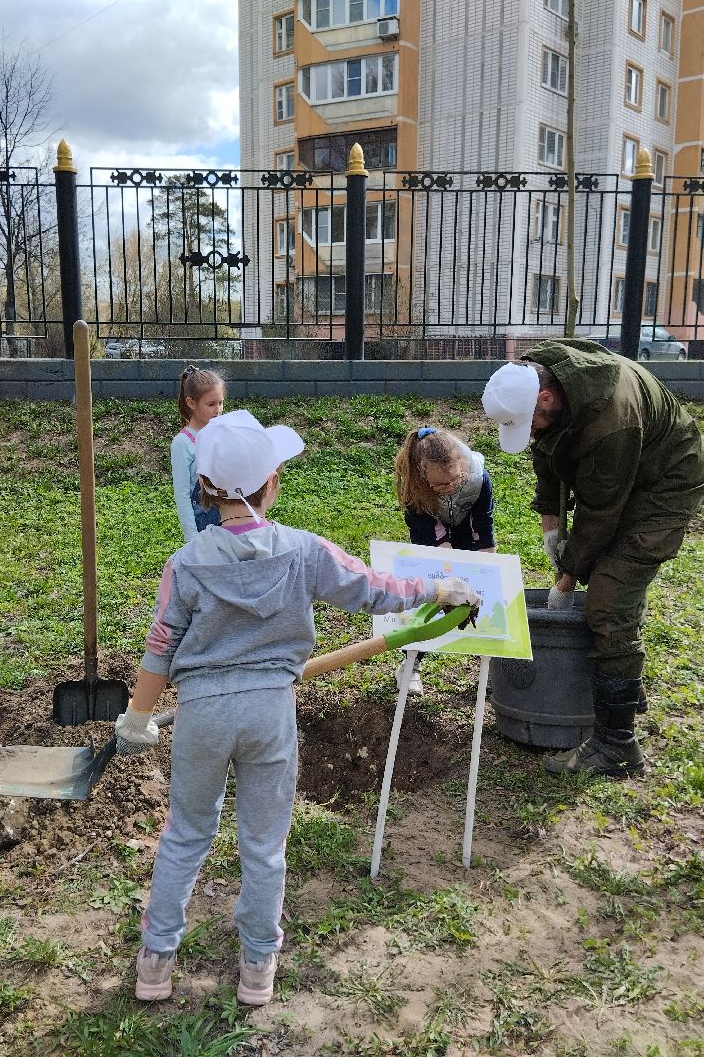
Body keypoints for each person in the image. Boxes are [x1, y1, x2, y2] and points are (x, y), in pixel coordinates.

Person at [114, 409, 481, 1005]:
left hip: (202, 715)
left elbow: (160, 646)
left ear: (204, 488)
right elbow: (370, 587)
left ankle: (156, 961)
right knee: (263, 844)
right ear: (272, 480)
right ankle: (258, 968)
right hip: (269, 713)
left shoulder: (184, 564)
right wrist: (435, 587)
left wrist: (136, 717)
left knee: (186, 835)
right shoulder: (303, 550)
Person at [482, 341, 704, 778]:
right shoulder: (542, 372)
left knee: (608, 598)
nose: (529, 432)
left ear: (545, 398)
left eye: (530, 423)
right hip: (625, 467)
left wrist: (568, 575)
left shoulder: (610, 422)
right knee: (607, 587)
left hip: (666, 481)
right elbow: (548, 449)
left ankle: (616, 744)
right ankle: (621, 687)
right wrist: (551, 527)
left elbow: (600, 513)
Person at [393, 425, 496, 695]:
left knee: (483, 594)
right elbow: (429, 532)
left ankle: (491, 666)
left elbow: (482, 523)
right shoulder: (413, 488)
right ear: (423, 477)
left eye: (454, 481)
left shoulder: (478, 479)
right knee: (430, 598)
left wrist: (485, 558)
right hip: (429, 539)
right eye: (439, 485)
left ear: (462, 465)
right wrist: (446, 558)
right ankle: (410, 664)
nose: (449, 489)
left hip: (465, 533)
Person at [170, 366, 225, 541]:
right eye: (211, 404)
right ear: (191, 403)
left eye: (221, 403)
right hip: (202, 529)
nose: (218, 410)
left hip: (229, 519)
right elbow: (182, 495)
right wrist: (191, 537)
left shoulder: (223, 433)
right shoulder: (183, 443)